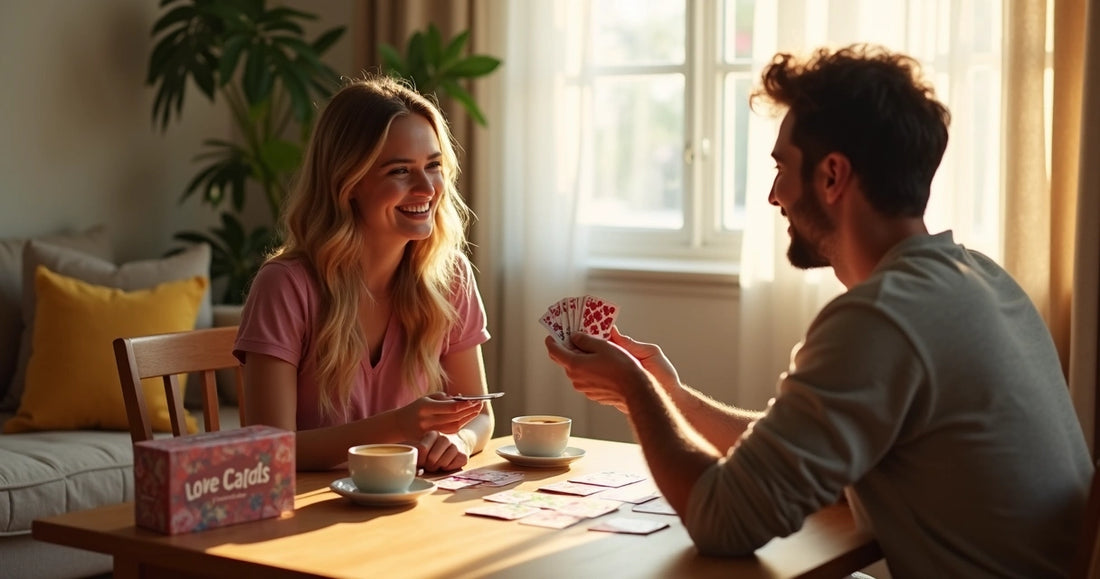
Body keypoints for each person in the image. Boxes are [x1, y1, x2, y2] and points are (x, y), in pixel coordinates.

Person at [545, 44, 1093, 578]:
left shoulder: (881, 318)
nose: (773, 194)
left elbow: (724, 521)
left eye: (782, 166)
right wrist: (671, 395)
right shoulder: (980, 279)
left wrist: (639, 395)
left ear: (832, 176)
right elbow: (807, 468)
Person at [234, 75, 494, 473]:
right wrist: (397, 426)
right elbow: (268, 451)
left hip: (405, 509)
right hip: (306, 518)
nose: (427, 188)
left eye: (433, 166)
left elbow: (479, 413)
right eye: (400, 171)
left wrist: (458, 439)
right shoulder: (286, 285)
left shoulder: (451, 275)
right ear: (348, 182)